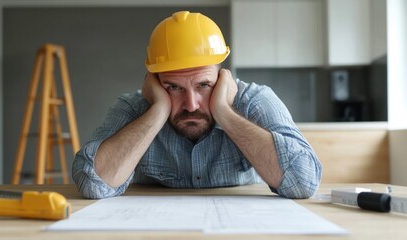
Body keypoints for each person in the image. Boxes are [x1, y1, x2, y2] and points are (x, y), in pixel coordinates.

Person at [72, 11, 322, 199]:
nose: (191, 105)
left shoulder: (254, 100)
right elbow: (91, 183)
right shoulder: (135, 107)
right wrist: (158, 111)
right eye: (174, 87)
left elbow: (304, 181)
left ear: (222, 75)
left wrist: (224, 113)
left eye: (203, 85)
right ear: (155, 82)